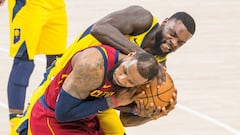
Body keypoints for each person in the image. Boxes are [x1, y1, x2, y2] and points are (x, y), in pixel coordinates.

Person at [18, 5, 196, 135]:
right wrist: (144, 59)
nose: (174, 42)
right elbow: (100, 28)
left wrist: (147, 112)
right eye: (172, 34)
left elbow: (125, 117)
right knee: (26, 129)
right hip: (65, 79)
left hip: (99, 99)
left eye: (180, 42)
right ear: (165, 23)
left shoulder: (157, 69)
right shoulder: (143, 20)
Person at [23, 45, 160, 135]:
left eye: (130, 81)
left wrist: (142, 112)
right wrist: (114, 101)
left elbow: (126, 120)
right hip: (52, 119)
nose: (122, 79)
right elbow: (63, 114)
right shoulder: (92, 66)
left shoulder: (137, 79)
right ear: (130, 55)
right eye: (124, 71)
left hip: (85, 120)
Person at [0, 0, 68, 134]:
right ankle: (15, 126)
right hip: (28, 5)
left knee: (56, 67)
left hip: (56, 6)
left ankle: (42, 118)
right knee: (24, 64)